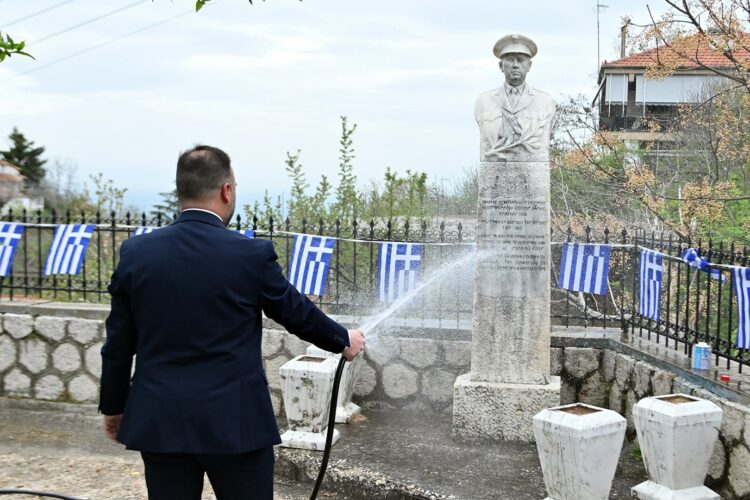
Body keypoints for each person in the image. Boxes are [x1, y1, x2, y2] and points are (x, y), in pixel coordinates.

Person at [98, 145, 366, 500]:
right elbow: (295, 312)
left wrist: (114, 407)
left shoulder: (136, 253)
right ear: (226, 190)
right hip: (235, 422)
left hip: (161, 420)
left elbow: (118, 345)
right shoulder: (249, 254)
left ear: (182, 190)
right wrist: (343, 339)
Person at [475, 34, 557, 162]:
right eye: (510, 60)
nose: (515, 65)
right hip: (494, 167)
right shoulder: (484, 101)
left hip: (533, 169)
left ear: (529, 65)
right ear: (501, 66)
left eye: (520, 60)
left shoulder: (545, 102)